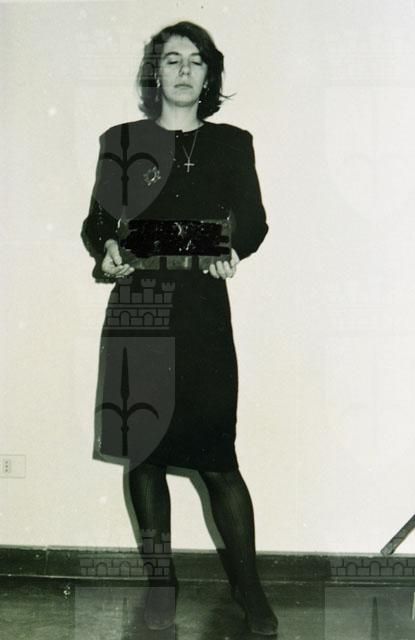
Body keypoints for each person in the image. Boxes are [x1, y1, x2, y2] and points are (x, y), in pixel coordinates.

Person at [81, 20, 278, 636]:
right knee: (144, 455)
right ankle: (161, 585)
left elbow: (253, 220)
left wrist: (233, 250)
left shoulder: (233, 143)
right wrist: (109, 248)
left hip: (201, 309)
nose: (184, 69)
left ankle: (249, 589)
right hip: (139, 306)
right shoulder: (122, 141)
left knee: (218, 459)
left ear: (209, 74)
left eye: (195, 60)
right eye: (172, 60)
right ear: (156, 73)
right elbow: (97, 222)